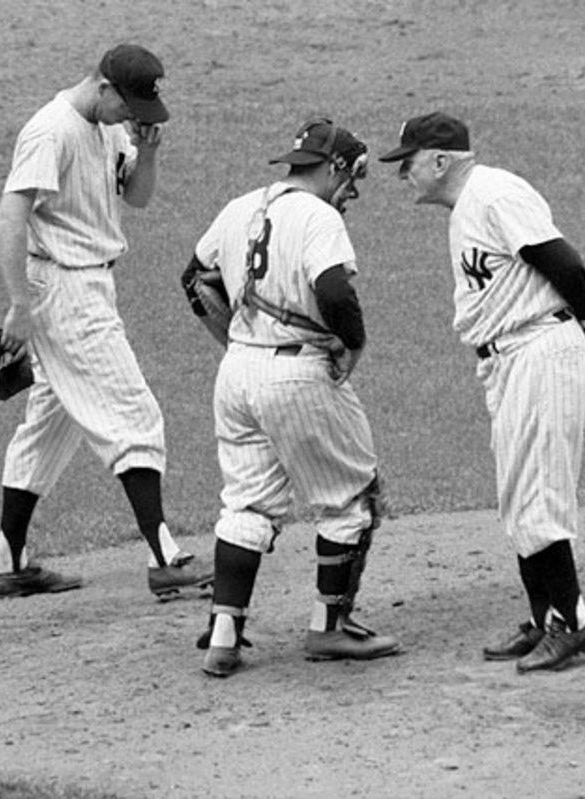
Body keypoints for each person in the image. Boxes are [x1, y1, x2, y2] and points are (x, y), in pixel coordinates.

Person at [378, 113, 585, 673]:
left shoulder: (495, 193)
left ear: (441, 161)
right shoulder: (469, 207)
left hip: (539, 350)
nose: (403, 176)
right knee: (519, 498)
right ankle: (546, 619)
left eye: (408, 163)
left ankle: (572, 623)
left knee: (539, 495)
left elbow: (558, 257)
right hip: (509, 359)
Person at [0, 43, 212, 600]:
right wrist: (19, 304)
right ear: (103, 86)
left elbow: (134, 199)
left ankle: (9, 563)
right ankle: (165, 557)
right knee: (133, 414)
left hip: (89, 282)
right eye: (128, 106)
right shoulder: (51, 131)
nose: (132, 118)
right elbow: (9, 215)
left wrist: (148, 153)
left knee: (50, 422)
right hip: (63, 289)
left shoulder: (110, 127)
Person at [182, 117, 401, 677]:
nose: (351, 192)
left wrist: (234, 339)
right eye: (352, 178)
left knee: (247, 502)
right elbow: (332, 289)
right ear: (331, 169)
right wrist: (354, 343)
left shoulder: (240, 208)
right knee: (353, 498)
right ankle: (330, 629)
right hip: (298, 374)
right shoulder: (318, 216)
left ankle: (224, 635)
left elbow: (194, 279)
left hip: (237, 375)